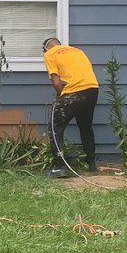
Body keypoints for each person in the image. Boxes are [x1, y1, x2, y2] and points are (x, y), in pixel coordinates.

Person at [42, 37, 99, 179]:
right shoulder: (78, 51)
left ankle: (59, 167)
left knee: (55, 127)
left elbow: (56, 82)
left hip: (74, 92)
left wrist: (60, 95)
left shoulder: (50, 54)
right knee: (85, 127)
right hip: (92, 89)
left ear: (45, 48)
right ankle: (91, 164)